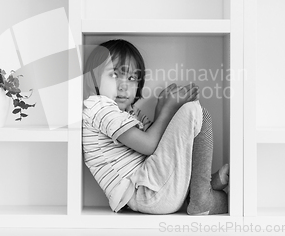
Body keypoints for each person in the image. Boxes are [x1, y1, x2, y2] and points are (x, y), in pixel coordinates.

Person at [82, 39, 228, 215]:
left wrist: (161, 108)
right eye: (114, 75)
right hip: (147, 193)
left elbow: (159, 146)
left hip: (151, 191)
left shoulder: (129, 112)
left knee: (231, 200)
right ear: (92, 80)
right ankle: (202, 192)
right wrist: (167, 110)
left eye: (131, 78)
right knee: (194, 112)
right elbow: (149, 145)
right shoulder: (100, 107)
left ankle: (202, 190)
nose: (123, 85)